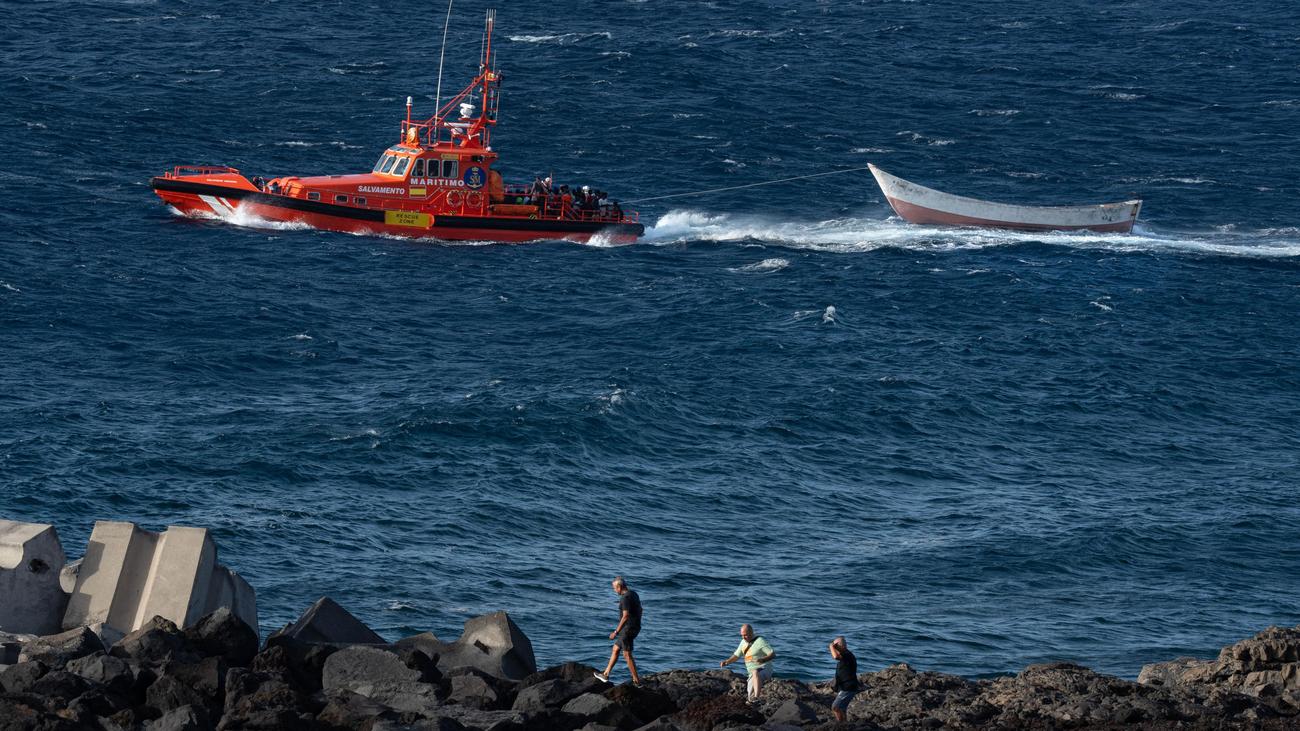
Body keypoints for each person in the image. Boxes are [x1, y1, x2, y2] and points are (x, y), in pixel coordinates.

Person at [594, 576, 642, 686]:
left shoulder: (625, 598)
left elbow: (625, 616)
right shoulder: (634, 594)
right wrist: (637, 622)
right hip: (634, 627)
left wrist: (615, 632)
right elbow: (640, 609)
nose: (614, 591)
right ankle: (606, 674)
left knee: (627, 655)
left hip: (627, 629)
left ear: (619, 587)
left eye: (615, 588)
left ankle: (637, 682)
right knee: (615, 649)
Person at [719, 624, 775, 701]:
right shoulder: (743, 642)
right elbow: (736, 655)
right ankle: (753, 701)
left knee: (755, 672)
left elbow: (772, 654)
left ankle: (757, 698)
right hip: (751, 673)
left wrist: (763, 660)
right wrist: (727, 662)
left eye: (745, 635)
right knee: (750, 695)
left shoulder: (760, 641)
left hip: (764, 668)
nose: (743, 637)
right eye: (742, 635)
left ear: (751, 633)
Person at [828, 636, 861, 722]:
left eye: (836, 646)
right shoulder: (847, 654)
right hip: (847, 687)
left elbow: (835, 656)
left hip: (848, 688)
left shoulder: (846, 654)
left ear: (840, 645)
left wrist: (831, 646)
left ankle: (841, 725)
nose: (835, 649)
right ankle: (845, 725)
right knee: (842, 709)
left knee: (835, 707)